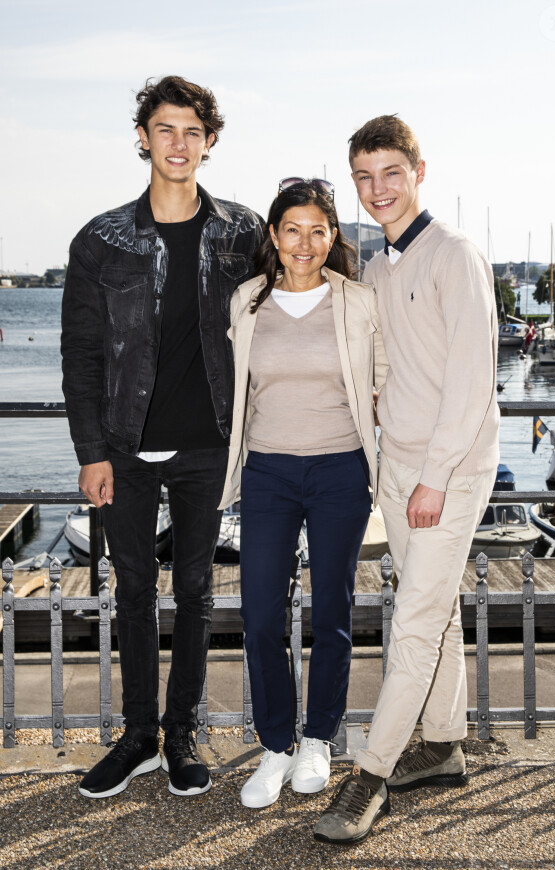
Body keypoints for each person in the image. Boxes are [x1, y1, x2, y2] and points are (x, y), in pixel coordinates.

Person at [61, 75, 263, 799]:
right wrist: (90, 451)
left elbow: (305, 293)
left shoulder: (245, 233)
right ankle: (139, 736)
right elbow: (80, 355)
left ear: (209, 144)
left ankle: (182, 736)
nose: (178, 144)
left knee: (199, 593)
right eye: (165, 129)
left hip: (209, 444)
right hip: (122, 446)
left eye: (193, 132)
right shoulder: (101, 240)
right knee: (136, 592)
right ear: (143, 137)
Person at [315, 115, 500, 844]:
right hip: (400, 462)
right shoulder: (381, 265)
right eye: (363, 177)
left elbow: (472, 383)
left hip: (447, 470)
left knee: (416, 622)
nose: (377, 189)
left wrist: (433, 477)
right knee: (439, 609)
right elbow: (393, 363)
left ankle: (371, 774)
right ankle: (445, 744)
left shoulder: (455, 255)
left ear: (420, 171)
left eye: (390, 172)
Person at [219, 179, 388, 809]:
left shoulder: (358, 302)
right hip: (266, 472)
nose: (305, 243)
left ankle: (318, 738)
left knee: (333, 611)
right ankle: (276, 745)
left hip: (340, 469)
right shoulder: (245, 303)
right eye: (293, 229)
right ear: (273, 235)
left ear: (334, 236)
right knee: (261, 611)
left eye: (319, 230)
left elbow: (386, 378)